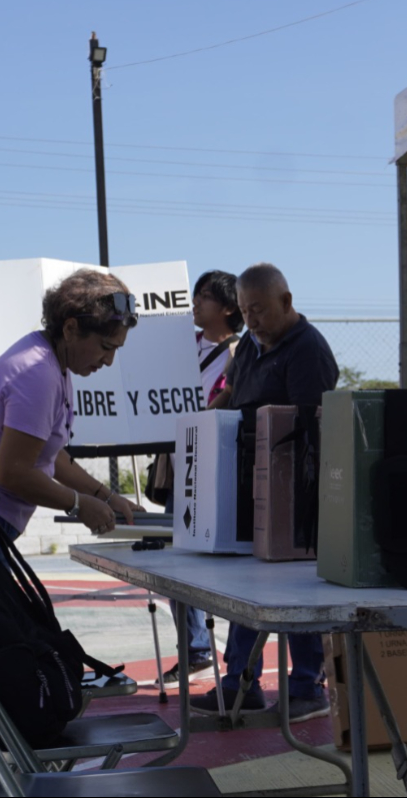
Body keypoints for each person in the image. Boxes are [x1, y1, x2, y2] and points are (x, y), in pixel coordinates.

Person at [0, 268, 143, 798]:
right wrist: (79, 504)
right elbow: (12, 472)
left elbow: (51, 454)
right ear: (71, 328)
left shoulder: (52, 366)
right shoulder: (38, 372)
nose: (108, 360)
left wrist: (108, 497)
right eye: (105, 347)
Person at [194, 263, 339, 723]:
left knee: (295, 586)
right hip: (243, 479)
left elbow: (307, 426)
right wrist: (200, 427)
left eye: (259, 309)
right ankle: (240, 682)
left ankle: (306, 686)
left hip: (294, 488)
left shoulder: (308, 349)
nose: (251, 319)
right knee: (243, 585)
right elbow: (230, 393)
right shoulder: (251, 347)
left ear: (287, 302)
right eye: (245, 310)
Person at [163, 270, 243, 685]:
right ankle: (195, 648)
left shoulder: (239, 354)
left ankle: (223, 656)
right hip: (178, 464)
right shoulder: (181, 348)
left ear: (229, 307)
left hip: (212, 469)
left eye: (204, 297)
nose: (194, 303)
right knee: (177, 560)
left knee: (216, 565)